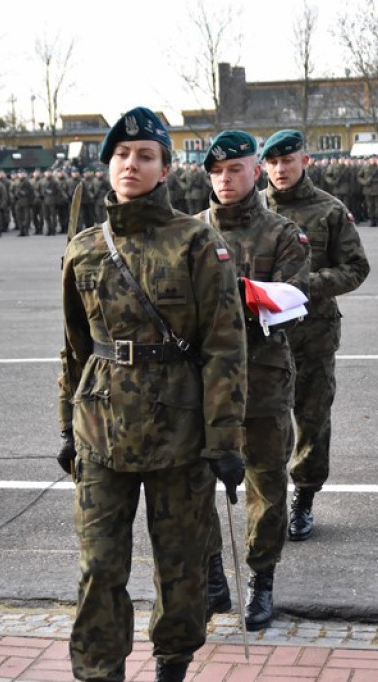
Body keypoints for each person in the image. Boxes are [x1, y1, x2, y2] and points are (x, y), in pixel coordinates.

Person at [57, 106, 248, 682]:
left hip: (180, 435)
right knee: (97, 571)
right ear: (108, 165)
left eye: (144, 156)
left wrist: (224, 440)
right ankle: (99, 672)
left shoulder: (198, 243)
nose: (131, 164)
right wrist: (65, 426)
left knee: (180, 568)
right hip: (101, 432)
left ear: (165, 168)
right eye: (121, 155)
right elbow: (73, 348)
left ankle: (173, 664)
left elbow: (224, 347)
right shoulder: (85, 249)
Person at [197, 130, 310, 631]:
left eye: (235, 169)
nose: (226, 179)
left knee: (267, 482)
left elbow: (294, 299)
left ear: (255, 170)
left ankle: (261, 579)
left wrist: (243, 298)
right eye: (217, 172)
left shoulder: (282, 234)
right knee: (192, 486)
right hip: (201, 384)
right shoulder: (190, 232)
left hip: (262, 377)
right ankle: (210, 575)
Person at [261, 129, 370, 542]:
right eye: (272, 162)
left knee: (311, 421)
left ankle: (304, 498)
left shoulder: (330, 210)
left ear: (304, 161)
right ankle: (268, 501)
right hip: (264, 339)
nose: (280, 169)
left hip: (313, 337)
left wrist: (303, 285)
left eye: (287, 161)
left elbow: (356, 268)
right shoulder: (250, 211)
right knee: (265, 425)